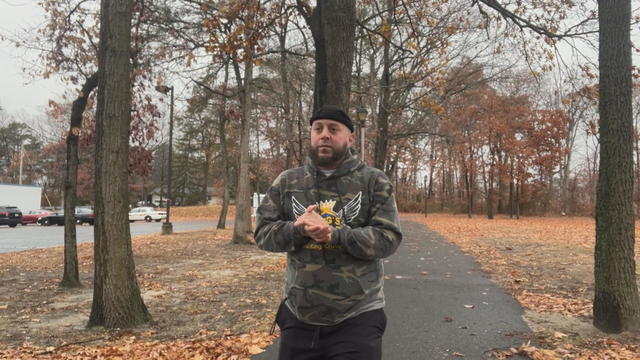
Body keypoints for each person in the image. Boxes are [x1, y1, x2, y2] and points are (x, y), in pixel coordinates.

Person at [255, 104, 402, 360]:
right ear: (311, 134)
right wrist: (298, 229)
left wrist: (335, 234)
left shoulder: (373, 181)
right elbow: (263, 234)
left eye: (333, 129)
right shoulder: (289, 181)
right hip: (299, 317)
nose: (324, 134)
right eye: (318, 128)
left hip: (358, 316)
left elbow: (387, 239)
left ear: (350, 137)